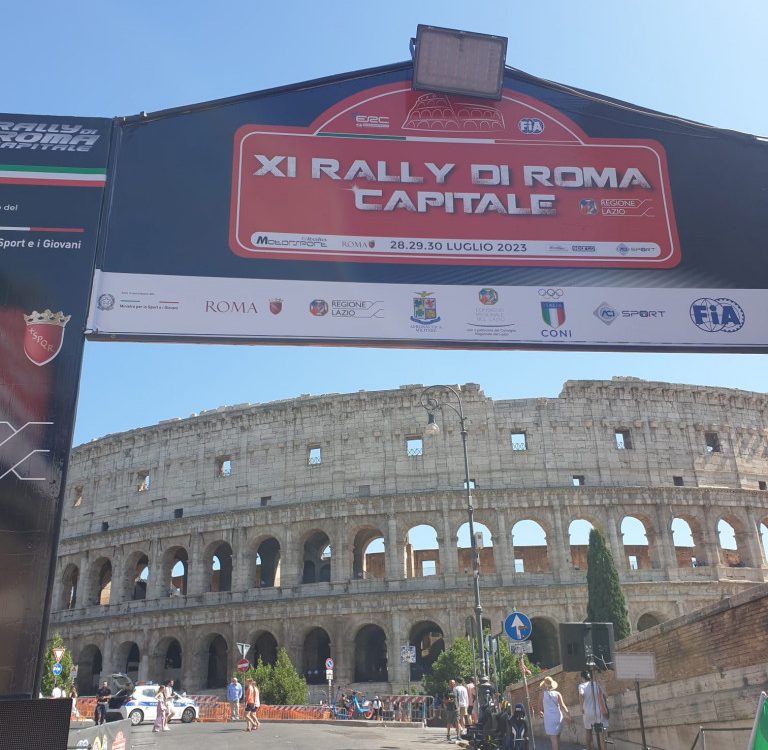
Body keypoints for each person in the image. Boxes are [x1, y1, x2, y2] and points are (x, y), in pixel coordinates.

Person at [579, 670, 609, 750]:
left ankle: (589, 748)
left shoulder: (581, 685)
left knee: (588, 731)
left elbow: (581, 695)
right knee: (601, 733)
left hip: (587, 712)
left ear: (582, 677)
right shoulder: (596, 684)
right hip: (599, 710)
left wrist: (581, 707)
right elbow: (603, 695)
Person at [538, 676, 570, 750]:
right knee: (557, 737)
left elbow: (539, 706)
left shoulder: (542, 694)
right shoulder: (557, 693)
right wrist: (568, 715)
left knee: (553, 739)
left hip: (549, 719)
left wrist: (540, 712)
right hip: (558, 717)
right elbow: (563, 706)